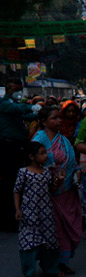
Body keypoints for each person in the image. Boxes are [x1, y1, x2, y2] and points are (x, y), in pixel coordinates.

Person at [33, 105, 81, 275]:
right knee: (54, 230)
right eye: (54, 118)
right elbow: (34, 165)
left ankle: (63, 262)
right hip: (47, 194)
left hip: (66, 192)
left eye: (60, 117)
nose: (59, 120)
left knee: (68, 228)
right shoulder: (38, 140)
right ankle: (52, 263)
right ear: (44, 121)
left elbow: (72, 162)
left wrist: (76, 173)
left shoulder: (64, 140)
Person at [14, 141, 62, 277]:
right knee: (28, 241)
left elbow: (51, 190)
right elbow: (17, 191)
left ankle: (51, 268)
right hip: (29, 213)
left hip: (45, 212)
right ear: (32, 156)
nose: (45, 156)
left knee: (49, 240)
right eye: (41, 153)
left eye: (45, 153)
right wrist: (17, 209)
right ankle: (29, 272)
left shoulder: (46, 172)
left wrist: (59, 181)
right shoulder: (24, 172)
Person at [1, 80, 41, 232]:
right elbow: (18, 109)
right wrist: (32, 107)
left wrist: (36, 114)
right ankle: (9, 218)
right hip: (8, 147)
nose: (18, 91)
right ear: (8, 88)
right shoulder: (4, 104)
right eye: (15, 88)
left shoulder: (15, 105)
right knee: (10, 183)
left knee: (18, 182)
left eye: (20, 89)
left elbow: (25, 116)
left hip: (18, 147)